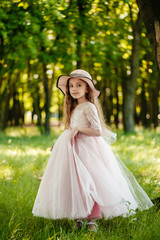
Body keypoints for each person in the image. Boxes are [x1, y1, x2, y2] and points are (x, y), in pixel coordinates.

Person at [32, 69, 153, 231]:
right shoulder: (74, 107)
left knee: (90, 183)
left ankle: (92, 219)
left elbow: (97, 131)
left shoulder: (89, 107)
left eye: (79, 85)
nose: (74, 89)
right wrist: (60, 144)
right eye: (71, 86)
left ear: (87, 88)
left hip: (88, 149)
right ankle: (78, 217)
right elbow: (70, 129)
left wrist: (79, 129)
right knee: (76, 183)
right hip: (73, 150)